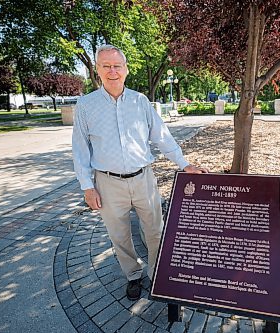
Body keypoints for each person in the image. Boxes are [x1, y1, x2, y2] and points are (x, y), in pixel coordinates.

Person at [72, 45, 207, 301]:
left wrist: (184, 164)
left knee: (155, 230)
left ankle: (157, 274)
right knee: (119, 236)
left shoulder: (140, 101)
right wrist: (87, 187)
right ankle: (133, 275)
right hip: (107, 183)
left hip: (143, 178)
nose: (113, 71)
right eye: (106, 66)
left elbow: (162, 136)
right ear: (97, 70)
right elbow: (80, 148)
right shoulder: (86, 105)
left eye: (117, 66)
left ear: (126, 69)